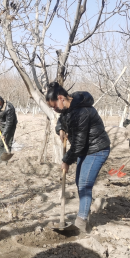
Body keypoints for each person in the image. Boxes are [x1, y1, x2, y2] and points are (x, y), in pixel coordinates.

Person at [46, 82, 111, 233]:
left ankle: (81, 223)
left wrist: (66, 160)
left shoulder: (82, 112)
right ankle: (85, 210)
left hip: (97, 149)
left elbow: (79, 144)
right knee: (79, 181)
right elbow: (62, 120)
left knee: (84, 184)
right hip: (84, 149)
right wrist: (60, 128)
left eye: (54, 106)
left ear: (61, 98)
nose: (54, 109)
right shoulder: (68, 107)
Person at [0, 96, 17, 163]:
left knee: (7, 142)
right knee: (0, 142)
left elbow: (9, 123)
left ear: (2, 102)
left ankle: (5, 161)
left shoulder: (9, 107)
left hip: (10, 126)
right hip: (1, 124)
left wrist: (4, 133)